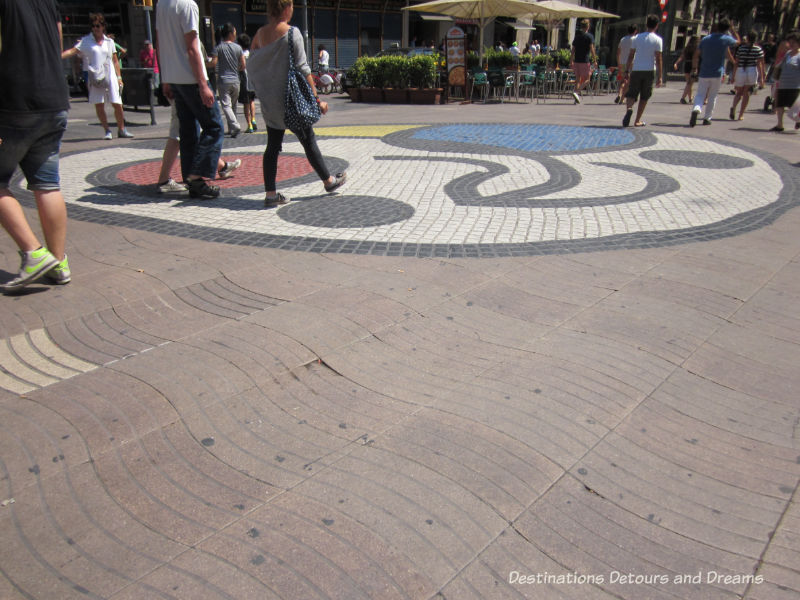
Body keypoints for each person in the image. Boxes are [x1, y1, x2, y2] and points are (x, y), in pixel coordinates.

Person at [1, 0, 71, 292]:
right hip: (53, 97)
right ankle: (58, 262)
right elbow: (57, 44)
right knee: (47, 183)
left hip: (13, 100)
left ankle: (33, 253)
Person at [248, 0, 346, 206]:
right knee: (308, 139)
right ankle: (328, 181)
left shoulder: (259, 35)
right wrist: (317, 99)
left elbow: (253, 66)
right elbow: (303, 69)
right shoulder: (292, 33)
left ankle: (270, 194)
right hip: (291, 99)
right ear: (286, 7)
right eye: (292, 4)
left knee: (272, 146)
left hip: (270, 100)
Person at [156, 0, 225, 199]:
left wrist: (165, 79)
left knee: (187, 131)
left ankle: (190, 178)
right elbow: (192, 47)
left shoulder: (161, 4)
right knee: (214, 126)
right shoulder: (187, 5)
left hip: (174, 78)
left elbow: (160, 44)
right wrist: (203, 84)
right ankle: (196, 177)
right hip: (191, 77)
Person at [61, 13, 134, 140]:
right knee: (99, 104)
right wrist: (57, 56)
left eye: (98, 26)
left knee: (117, 103)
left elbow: (115, 60)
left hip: (110, 75)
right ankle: (107, 130)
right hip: (95, 76)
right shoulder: (86, 41)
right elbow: (73, 51)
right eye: (93, 26)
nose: (95, 28)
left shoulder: (109, 42)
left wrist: (119, 77)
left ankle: (122, 129)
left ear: (103, 27)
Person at [689, 19, 738, 127]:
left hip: (704, 71)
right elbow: (738, 42)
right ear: (726, 29)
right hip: (717, 73)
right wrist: (733, 30)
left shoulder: (705, 39)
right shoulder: (726, 39)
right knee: (712, 96)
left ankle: (697, 108)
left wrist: (694, 68)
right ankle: (707, 118)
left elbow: (696, 54)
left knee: (700, 93)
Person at [622, 14, 662, 127]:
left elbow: (631, 56)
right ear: (657, 25)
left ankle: (629, 109)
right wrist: (659, 76)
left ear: (646, 24)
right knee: (645, 96)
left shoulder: (636, 38)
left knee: (631, 93)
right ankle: (637, 120)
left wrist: (627, 71)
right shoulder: (658, 40)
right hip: (649, 70)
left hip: (636, 69)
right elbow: (659, 58)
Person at [214, 22, 245, 137]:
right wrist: (236, 68)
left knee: (226, 106)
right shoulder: (238, 48)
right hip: (236, 80)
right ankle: (232, 129)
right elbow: (243, 65)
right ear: (231, 33)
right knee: (234, 105)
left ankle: (235, 126)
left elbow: (214, 63)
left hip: (223, 80)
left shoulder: (218, 48)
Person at [729, 31, 765, 121]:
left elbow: (736, 63)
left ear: (747, 38)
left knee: (739, 93)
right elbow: (760, 64)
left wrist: (733, 76)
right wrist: (762, 77)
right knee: (747, 93)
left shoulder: (741, 49)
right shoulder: (758, 49)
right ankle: (741, 114)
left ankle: (733, 106)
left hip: (741, 70)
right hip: (752, 70)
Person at [770, 31, 800, 131]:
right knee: (780, 105)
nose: (791, 44)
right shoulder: (787, 54)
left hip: (795, 85)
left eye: (793, 42)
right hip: (783, 83)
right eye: (790, 42)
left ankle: (798, 121)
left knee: (794, 107)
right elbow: (781, 66)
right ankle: (780, 125)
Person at [570, 18, 596, 103]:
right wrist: (595, 60)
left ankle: (575, 99)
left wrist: (571, 60)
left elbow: (573, 49)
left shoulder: (577, 37)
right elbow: (592, 49)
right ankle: (576, 92)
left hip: (577, 60)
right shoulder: (589, 36)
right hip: (585, 60)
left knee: (577, 79)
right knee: (587, 79)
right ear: (588, 26)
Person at [238, 33, 258, 133]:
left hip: (244, 80)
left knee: (246, 104)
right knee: (252, 101)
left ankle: (249, 125)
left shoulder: (240, 54)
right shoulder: (251, 54)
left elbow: (240, 67)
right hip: (252, 80)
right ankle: (254, 119)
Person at [615, 25, 637, 104]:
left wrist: (618, 63)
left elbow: (618, 53)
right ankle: (622, 98)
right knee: (628, 82)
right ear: (635, 31)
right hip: (632, 63)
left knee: (622, 80)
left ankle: (620, 94)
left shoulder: (623, 39)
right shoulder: (635, 40)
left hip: (622, 62)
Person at [673, 35, 698, 104]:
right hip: (693, 65)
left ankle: (690, 98)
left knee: (689, 83)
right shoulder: (697, 48)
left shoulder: (687, 48)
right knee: (690, 83)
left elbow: (682, 56)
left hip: (687, 65)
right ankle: (683, 98)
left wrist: (676, 63)